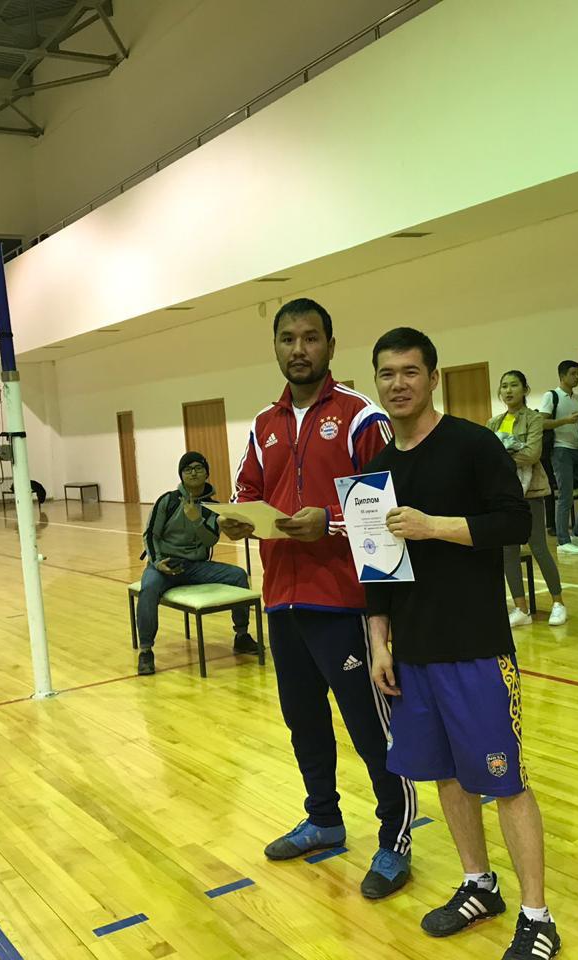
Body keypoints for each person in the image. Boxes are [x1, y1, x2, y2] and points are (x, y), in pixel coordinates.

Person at [365, 327, 560, 960]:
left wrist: (433, 527)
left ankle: (538, 917)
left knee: (505, 782)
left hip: (475, 646)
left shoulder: (474, 444)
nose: (399, 384)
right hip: (412, 652)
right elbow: (375, 564)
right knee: (447, 776)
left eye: (410, 372)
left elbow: (514, 522)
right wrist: (379, 641)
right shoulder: (380, 467)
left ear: (433, 378)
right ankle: (480, 884)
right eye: (387, 373)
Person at [222, 297, 416, 899]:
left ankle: (395, 839)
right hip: (283, 600)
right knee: (303, 720)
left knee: (370, 730)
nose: (299, 349)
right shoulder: (264, 423)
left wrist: (327, 521)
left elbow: (384, 504)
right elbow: (248, 488)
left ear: (331, 345)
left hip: (347, 602)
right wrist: (236, 516)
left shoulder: (361, 417)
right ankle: (324, 819)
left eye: (310, 338)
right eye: (288, 339)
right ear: (276, 347)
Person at [134, 452, 258, 676]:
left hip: (196, 567)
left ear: (207, 473)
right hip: (164, 565)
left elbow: (210, 540)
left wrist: (196, 520)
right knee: (149, 588)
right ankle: (146, 651)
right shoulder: (168, 501)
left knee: (238, 575)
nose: (193, 473)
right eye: (187, 469)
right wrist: (158, 562)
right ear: (181, 475)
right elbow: (150, 535)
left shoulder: (213, 507)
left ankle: (241, 635)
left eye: (198, 468)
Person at [486, 370, 567, 627]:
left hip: (530, 491)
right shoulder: (493, 423)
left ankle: (558, 603)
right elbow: (486, 456)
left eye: (514, 385)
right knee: (508, 550)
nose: (508, 390)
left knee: (538, 546)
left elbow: (532, 454)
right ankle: (521, 609)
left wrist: (501, 459)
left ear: (525, 390)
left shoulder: (533, 419)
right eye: (504, 386)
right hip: (504, 495)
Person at [538, 360, 578, 555]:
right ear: (562, 376)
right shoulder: (551, 396)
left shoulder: (577, 398)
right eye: (573, 373)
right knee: (565, 495)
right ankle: (562, 541)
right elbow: (542, 423)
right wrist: (566, 420)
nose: (577, 377)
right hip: (560, 450)